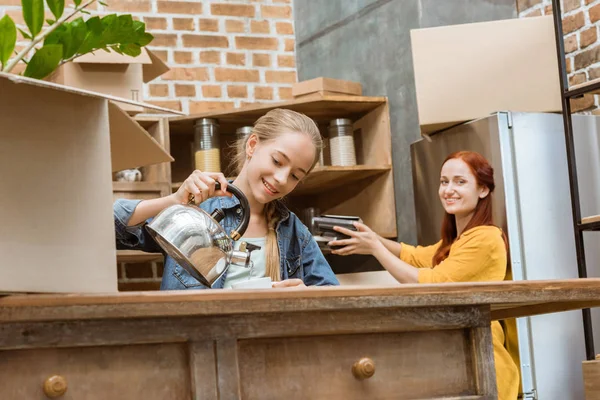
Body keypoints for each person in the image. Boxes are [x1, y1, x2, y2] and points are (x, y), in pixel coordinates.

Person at [329, 150, 519, 399]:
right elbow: (415, 256)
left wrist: (375, 248)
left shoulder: (485, 238)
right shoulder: (459, 240)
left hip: (484, 365)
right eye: (444, 181)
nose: (448, 189)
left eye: (460, 182)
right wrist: (372, 237)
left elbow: (432, 283)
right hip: (462, 361)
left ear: (483, 189)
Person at [114, 108, 339, 290]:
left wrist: (306, 295)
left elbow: (334, 299)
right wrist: (175, 200)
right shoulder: (194, 212)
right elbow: (109, 225)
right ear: (252, 145)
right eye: (277, 161)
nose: (281, 179)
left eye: (295, 176)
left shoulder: (294, 233)